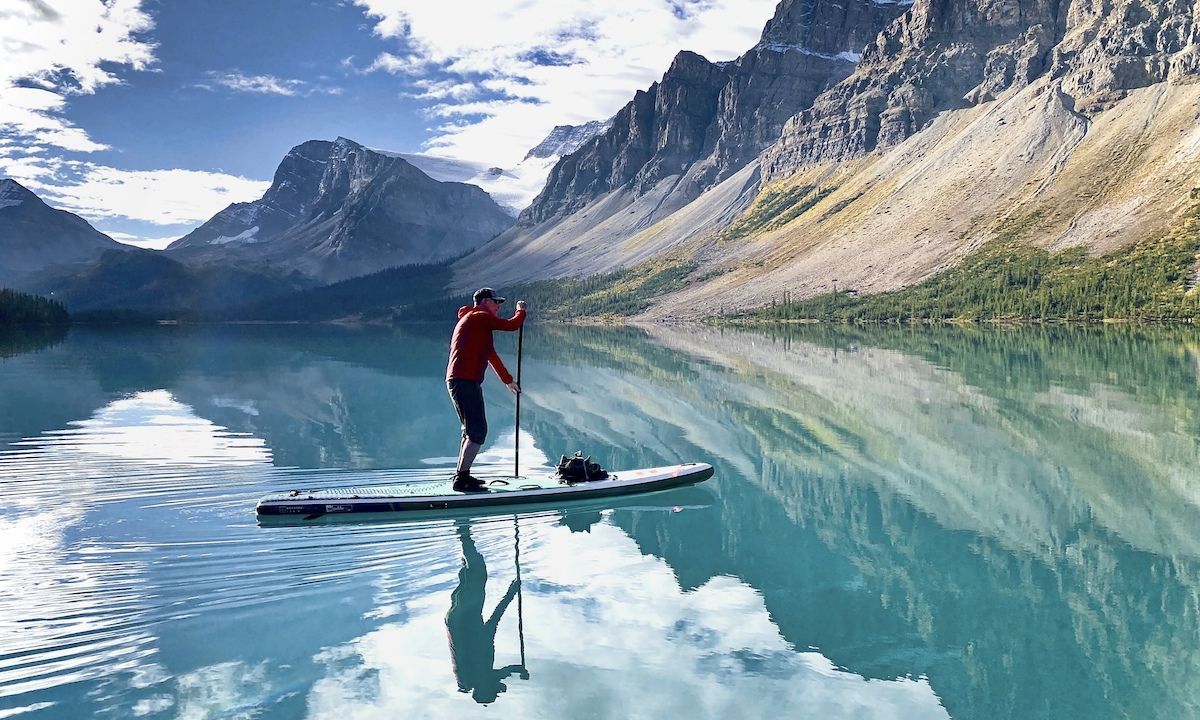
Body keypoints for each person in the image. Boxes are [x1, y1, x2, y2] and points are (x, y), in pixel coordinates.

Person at [446, 287, 527, 491]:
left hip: (461, 380)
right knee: (478, 431)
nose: (499, 306)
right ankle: (461, 479)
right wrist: (521, 310)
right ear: (484, 302)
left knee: (470, 430)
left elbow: (491, 355)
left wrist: (508, 381)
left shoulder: (475, 323)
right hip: (465, 380)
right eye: (495, 302)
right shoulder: (480, 317)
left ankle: (461, 474)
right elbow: (512, 325)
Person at [445, 521, 528, 704]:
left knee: (478, 572)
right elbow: (503, 673)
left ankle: (464, 533)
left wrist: (511, 592)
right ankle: (465, 551)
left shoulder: (480, 661)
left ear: (487, 685)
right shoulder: (476, 674)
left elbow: (495, 618)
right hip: (458, 619)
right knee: (473, 576)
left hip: (465, 616)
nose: (498, 686)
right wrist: (518, 670)